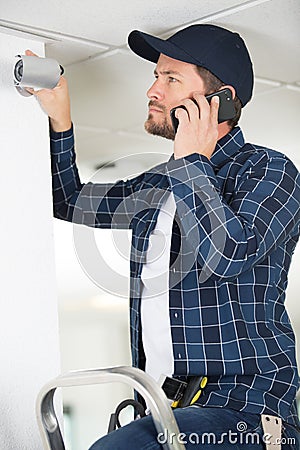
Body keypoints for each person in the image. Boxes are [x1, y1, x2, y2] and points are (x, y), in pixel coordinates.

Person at [27, 24, 300, 449]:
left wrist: (193, 158)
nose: (152, 90)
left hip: (243, 409)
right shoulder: (157, 185)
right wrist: (60, 120)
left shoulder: (268, 171)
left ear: (220, 100)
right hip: (163, 407)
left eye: (171, 79)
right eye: (157, 76)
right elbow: (70, 202)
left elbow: (227, 255)